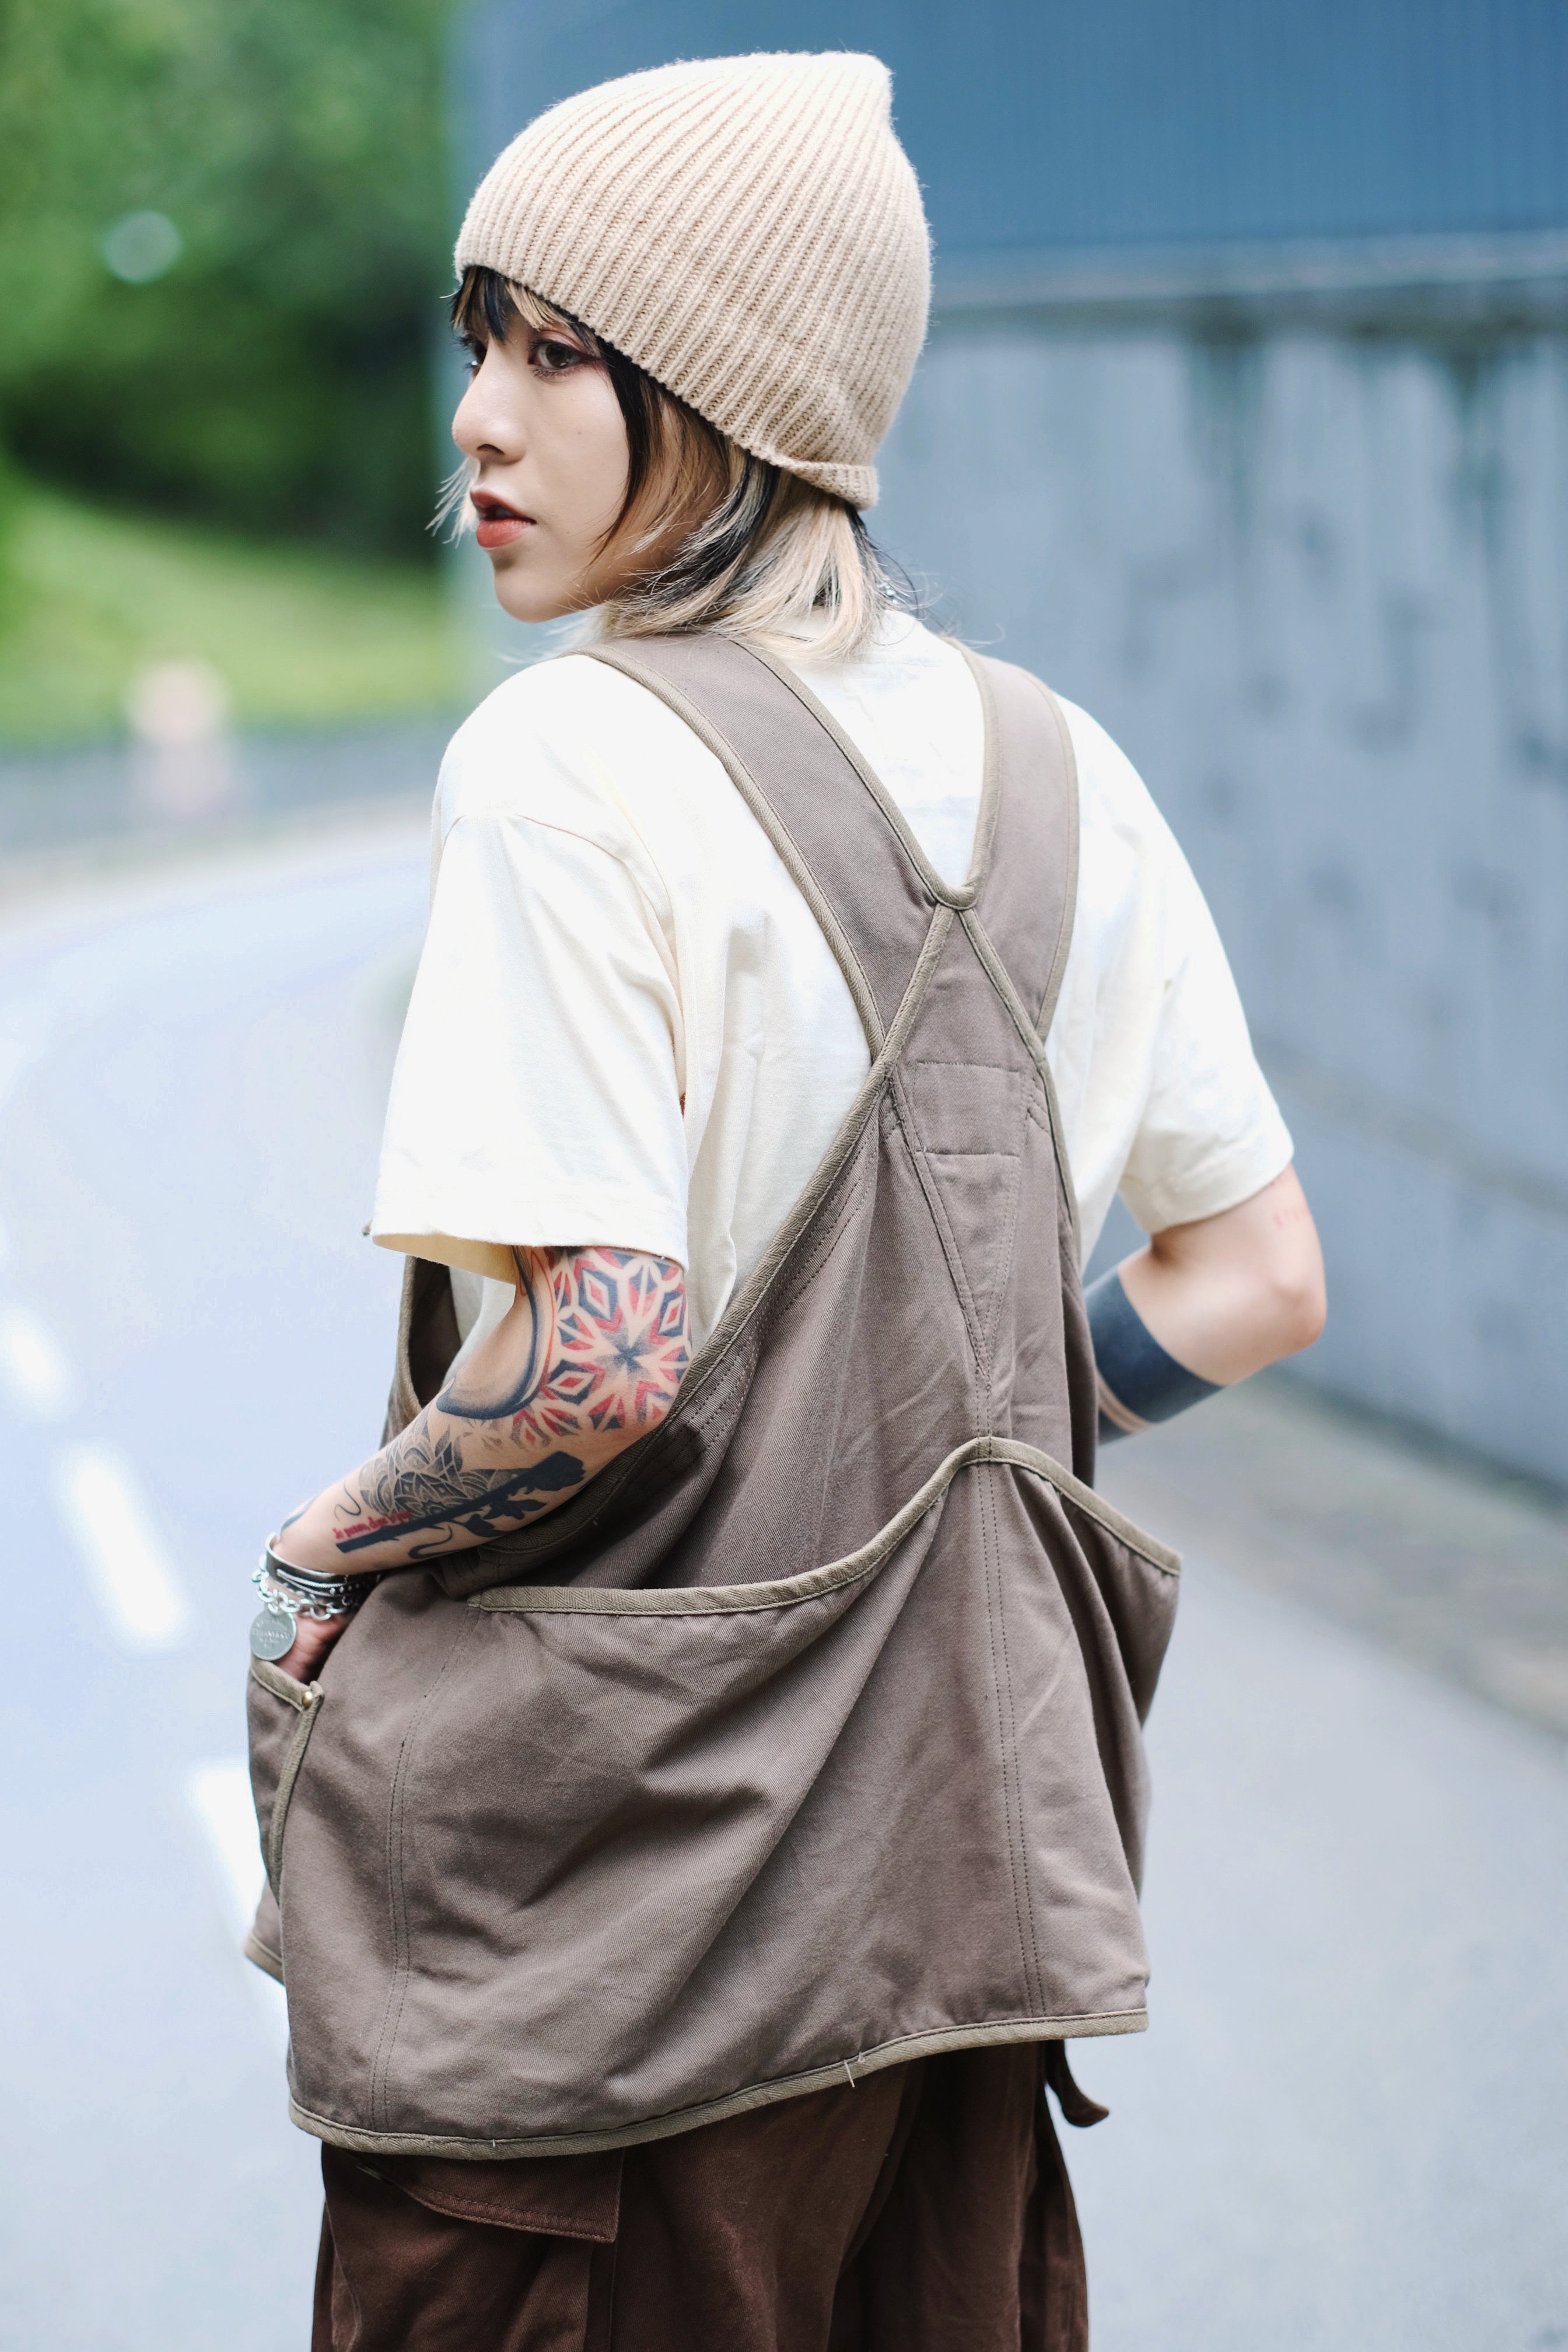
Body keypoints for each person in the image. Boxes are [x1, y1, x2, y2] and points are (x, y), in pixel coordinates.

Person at [244, 50, 1325, 2351]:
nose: (479, 423)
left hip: (599, 1979)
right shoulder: (1062, 770)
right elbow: (1254, 1275)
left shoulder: (568, 756)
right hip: (950, 1939)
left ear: (732, 396)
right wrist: (971, 1431)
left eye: (560, 356)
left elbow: (603, 1356)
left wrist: (326, 1549)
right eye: (477, 341)